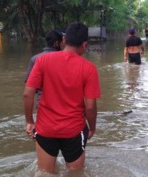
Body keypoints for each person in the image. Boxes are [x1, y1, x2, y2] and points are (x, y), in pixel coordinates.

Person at [23, 22, 100, 173]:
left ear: (64, 41)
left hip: (45, 129)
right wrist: (92, 128)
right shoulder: (89, 68)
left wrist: (29, 121)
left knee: (45, 173)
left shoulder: (42, 61)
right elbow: (90, 106)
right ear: (85, 45)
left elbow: (27, 94)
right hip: (74, 131)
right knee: (75, 173)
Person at [25, 29, 64, 107]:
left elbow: (29, 84)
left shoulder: (35, 59)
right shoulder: (65, 59)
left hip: (42, 104)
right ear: (56, 43)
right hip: (62, 104)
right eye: (61, 43)